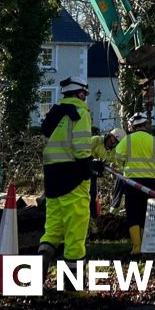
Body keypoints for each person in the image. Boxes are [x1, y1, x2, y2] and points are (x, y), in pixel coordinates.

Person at [37, 76, 99, 286]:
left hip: (52, 179)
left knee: (52, 229)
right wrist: (89, 167)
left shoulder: (53, 114)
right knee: (75, 232)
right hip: (73, 180)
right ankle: (72, 287)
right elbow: (81, 148)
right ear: (81, 93)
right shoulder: (80, 112)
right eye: (85, 95)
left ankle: (36, 279)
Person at [115, 112, 155, 256]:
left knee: (133, 213)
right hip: (149, 181)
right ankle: (146, 246)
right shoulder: (154, 141)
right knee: (147, 213)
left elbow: (118, 157)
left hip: (132, 182)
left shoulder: (126, 141)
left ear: (132, 126)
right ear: (146, 125)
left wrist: (123, 168)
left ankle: (137, 247)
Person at [88, 127, 124, 227]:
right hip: (82, 172)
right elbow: (82, 153)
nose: (113, 144)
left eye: (116, 143)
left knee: (92, 196)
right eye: (114, 141)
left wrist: (119, 171)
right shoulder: (96, 140)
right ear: (110, 136)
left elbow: (115, 163)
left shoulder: (112, 151)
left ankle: (92, 221)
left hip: (92, 175)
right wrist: (93, 161)